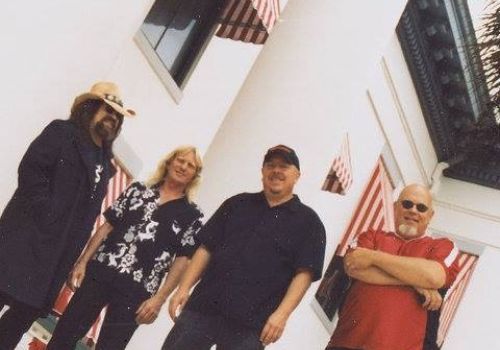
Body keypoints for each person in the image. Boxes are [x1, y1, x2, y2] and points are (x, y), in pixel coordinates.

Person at [0, 81, 134, 349]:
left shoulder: (105, 166)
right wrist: (47, 212)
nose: (112, 118)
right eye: (108, 110)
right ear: (90, 108)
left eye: (118, 116)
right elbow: (31, 172)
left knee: (19, 320)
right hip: (23, 243)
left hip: (55, 261)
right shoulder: (62, 132)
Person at [162, 144, 326, 350]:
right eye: (270, 165)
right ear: (263, 171)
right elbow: (206, 248)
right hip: (203, 307)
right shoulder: (237, 204)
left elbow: (305, 273)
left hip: (252, 325)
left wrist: (282, 315)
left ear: (297, 175)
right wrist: (183, 288)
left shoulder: (309, 223)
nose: (276, 171)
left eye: (284, 166)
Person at [46, 146, 204, 350]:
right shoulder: (138, 190)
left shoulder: (192, 215)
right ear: (169, 162)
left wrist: (159, 299)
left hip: (138, 290)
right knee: (65, 332)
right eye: (180, 160)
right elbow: (107, 226)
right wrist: (82, 262)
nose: (183, 167)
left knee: (111, 346)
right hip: (101, 272)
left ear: (194, 176)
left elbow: (182, 260)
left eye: (190, 165)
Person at [326, 184, 460, 350]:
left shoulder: (443, 246)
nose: (413, 210)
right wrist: (416, 282)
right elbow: (354, 266)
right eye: (407, 204)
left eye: (421, 207)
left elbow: (434, 276)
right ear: (396, 207)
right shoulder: (371, 236)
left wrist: (373, 256)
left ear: (430, 215)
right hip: (347, 343)